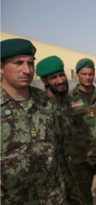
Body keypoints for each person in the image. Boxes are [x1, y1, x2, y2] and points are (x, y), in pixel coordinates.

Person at [0, 38, 67, 203]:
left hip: (52, 197)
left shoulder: (45, 101)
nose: (27, 70)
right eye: (18, 63)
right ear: (1, 67)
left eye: (30, 63)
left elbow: (58, 145)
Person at [36, 55, 85, 204]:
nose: (61, 80)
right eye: (54, 77)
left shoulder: (71, 101)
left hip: (73, 170)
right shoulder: (39, 107)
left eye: (61, 75)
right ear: (45, 81)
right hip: (52, 177)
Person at [69, 58, 96, 204]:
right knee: (82, 197)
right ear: (77, 75)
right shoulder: (69, 98)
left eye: (90, 74)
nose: (88, 77)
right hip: (80, 158)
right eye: (84, 74)